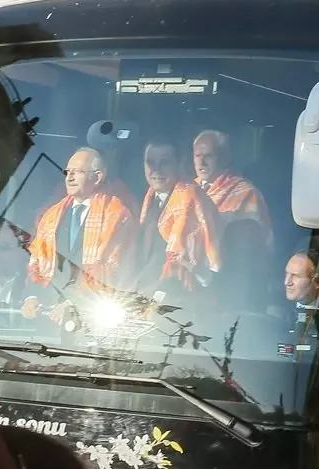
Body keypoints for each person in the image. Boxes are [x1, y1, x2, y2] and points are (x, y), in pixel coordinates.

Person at [23, 148, 138, 324]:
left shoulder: (116, 215)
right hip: (48, 318)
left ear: (97, 177)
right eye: (67, 172)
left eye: (77, 172)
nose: (69, 178)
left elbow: (113, 273)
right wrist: (31, 297)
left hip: (94, 319)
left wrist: (73, 303)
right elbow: (37, 264)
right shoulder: (51, 216)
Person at [136, 138, 219, 297]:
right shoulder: (149, 198)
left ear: (179, 163)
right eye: (150, 162)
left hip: (182, 298)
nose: (156, 169)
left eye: (164, 163)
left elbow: (187, 264)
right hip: (144, 294)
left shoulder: (192, 198)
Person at [192, 129, 272, 248]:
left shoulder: (246, 193)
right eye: (198, 156)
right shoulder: (187, 189)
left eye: (208, 156)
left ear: (225, 158)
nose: (202, 162)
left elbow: (254, 242)